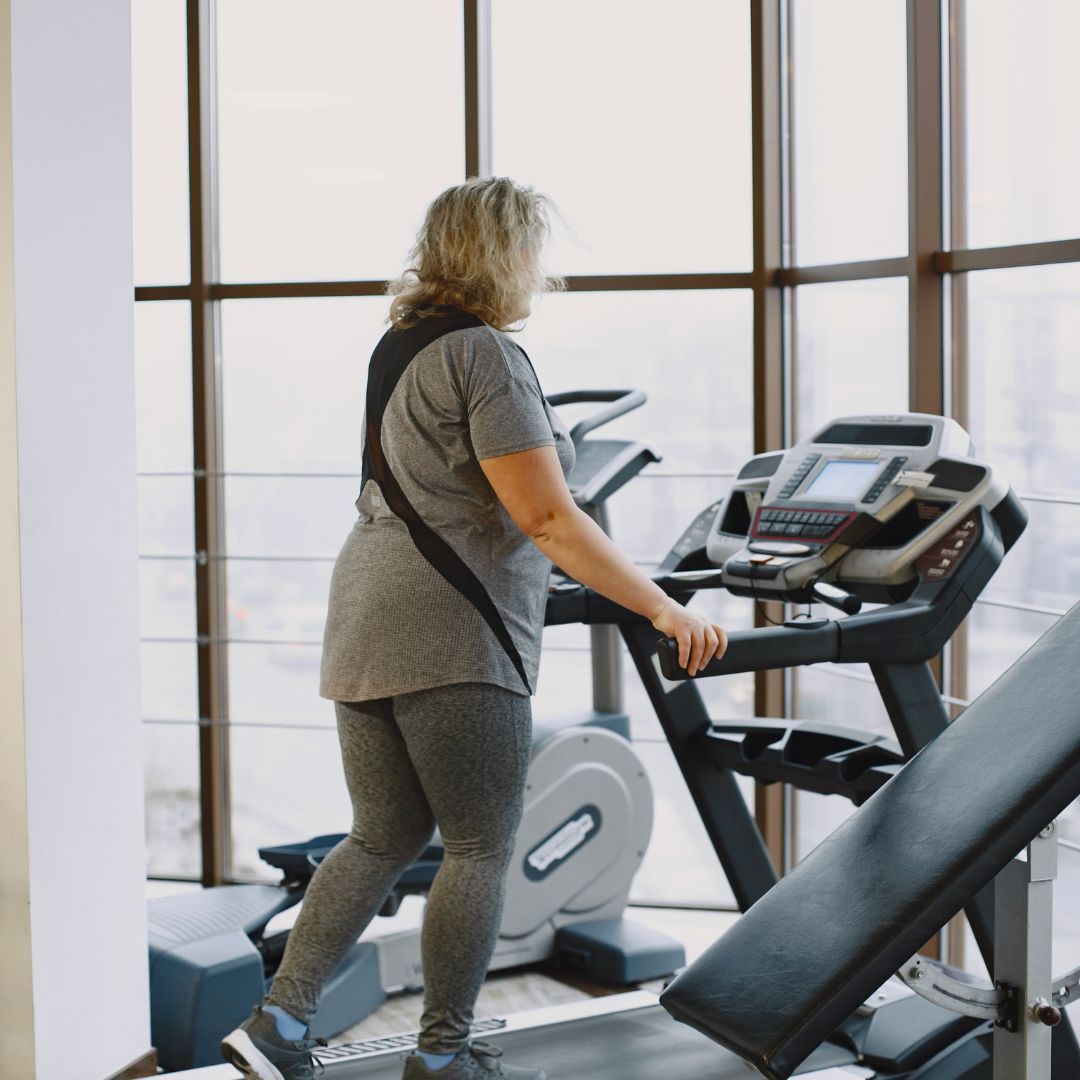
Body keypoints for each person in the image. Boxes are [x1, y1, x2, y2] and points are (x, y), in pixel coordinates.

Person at [220, 176, 727, 1080]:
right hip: (450, 627)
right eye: (532, 250)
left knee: (380, 834)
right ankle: (444, 1056)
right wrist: (663, 606)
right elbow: (549, 520)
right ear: (502, 254)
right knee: (483, 844)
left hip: (366, 607)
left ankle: (277, 1025)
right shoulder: (488, 356)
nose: (539, 270)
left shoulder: (401, 345)